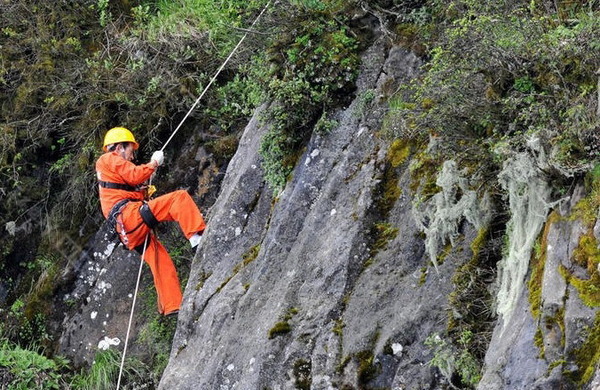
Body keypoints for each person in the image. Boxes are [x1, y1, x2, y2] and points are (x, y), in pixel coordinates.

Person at [96, 127, 206, 316]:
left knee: (160, 260)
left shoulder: (110, 170)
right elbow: (135, 174)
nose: (132, 156)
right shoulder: (108, 158)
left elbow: (129, 184)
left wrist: (144, 190)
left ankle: (172, 305)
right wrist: (153, 163)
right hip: (129, 217)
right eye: (131, 149)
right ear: (119, 147)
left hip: (127, 230)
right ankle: (197, 237)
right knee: (178, 199)